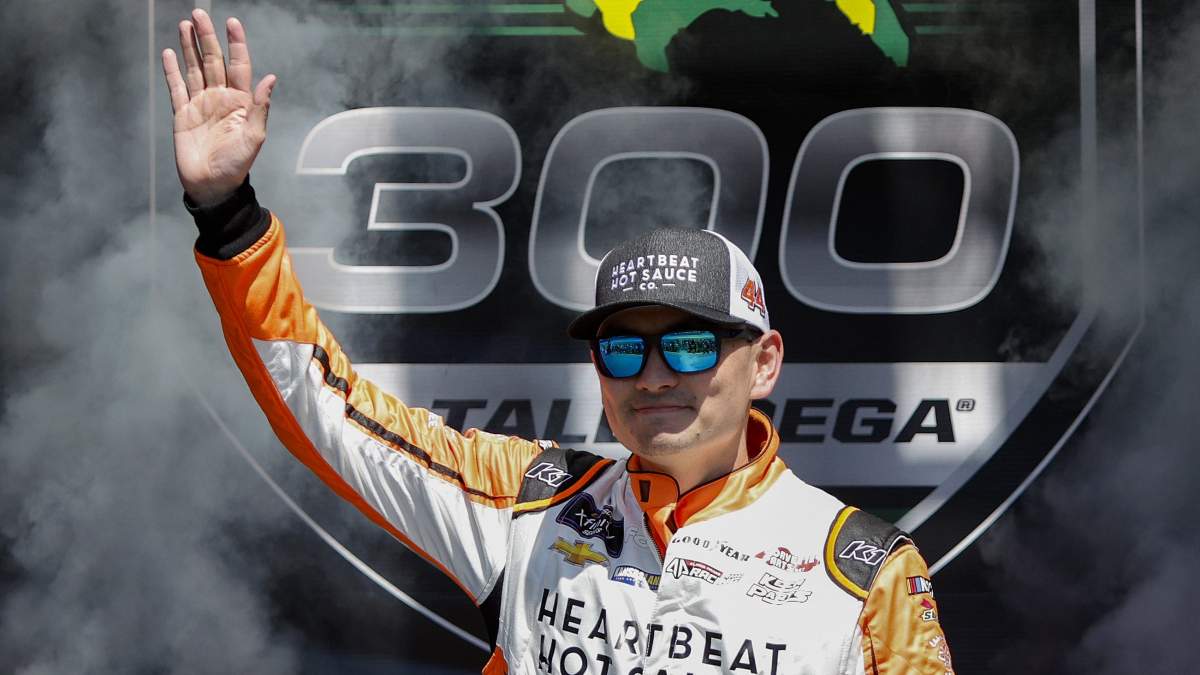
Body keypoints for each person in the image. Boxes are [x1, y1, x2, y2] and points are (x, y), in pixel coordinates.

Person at [163, 9, 955, 674]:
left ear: (765, 362)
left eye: (689, 346)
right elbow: (327, 407)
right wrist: (228, 212)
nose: (653, 375)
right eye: (623, 349)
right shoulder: (532, 501)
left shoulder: (865, 571)